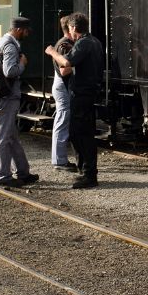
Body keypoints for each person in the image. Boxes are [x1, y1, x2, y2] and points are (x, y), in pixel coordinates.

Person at [45, 12, 103, 189]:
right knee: (82, 133)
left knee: (81, 134)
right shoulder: (95, 41)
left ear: (73, 27)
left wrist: (52, 52)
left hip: (82, 94)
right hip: (88, 93)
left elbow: (66, 63)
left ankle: (88, 174)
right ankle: (85, 170)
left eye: (70, 28)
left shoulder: (84, 43)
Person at [0, 16, 39, 188]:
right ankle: (2, 175)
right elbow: (10, 71)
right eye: (26, 31)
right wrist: (22, 64)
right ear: (18, 30)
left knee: (11, 136)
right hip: (6, 98)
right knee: (3, 137)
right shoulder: (10, 46)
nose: (27, 34)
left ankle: (23, 172)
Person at [50, 15, 76, 172]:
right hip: (63, 87)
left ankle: (60, 159)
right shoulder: (64, 45)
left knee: (63, 121)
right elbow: (64, 70)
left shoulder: (65, 43)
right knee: (62, 122)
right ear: (70, 28)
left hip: (62, 86)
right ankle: (59, 161)